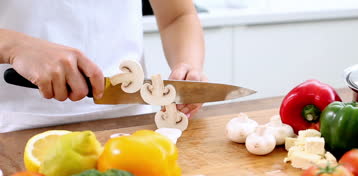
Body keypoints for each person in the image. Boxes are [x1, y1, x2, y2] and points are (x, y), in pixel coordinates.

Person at [0, 0, 206, 133]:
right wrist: (15, 46)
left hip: (132, 124)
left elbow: (178, 16)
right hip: (16, 128)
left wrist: (187, 65)